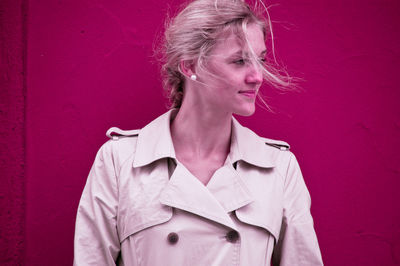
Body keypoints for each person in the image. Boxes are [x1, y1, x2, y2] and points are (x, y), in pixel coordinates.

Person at [73, 0, 324, 265]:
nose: (257, 76)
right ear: (190, 67)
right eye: (239, 61)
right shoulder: (119, 161)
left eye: (260, 60)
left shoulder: (279, 168)